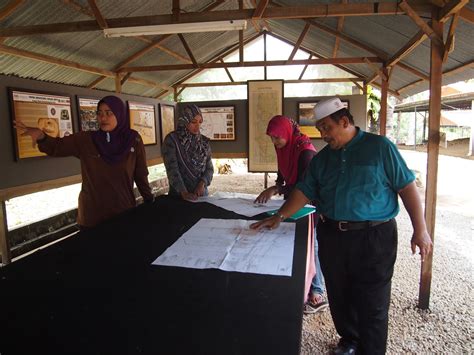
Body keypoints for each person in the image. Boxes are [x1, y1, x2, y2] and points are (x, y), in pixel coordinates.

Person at [251, 97, 433, 355]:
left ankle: (371, 350)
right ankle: (349, 340)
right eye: (320, 129)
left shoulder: (380, 147)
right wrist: (280, 216)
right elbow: (304, 191)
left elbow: (406, 186)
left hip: (374, 237)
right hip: (333, 236)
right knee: (339, 294)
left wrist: (420, 229)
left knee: (373, 301)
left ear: (345, 121)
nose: (323, 135)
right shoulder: (323, 159)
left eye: (327, 128)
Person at [14, 95, 153, 229]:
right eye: (99, 113)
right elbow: (57, 146)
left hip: (122, 213)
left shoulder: (133, 140)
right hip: (92, 218)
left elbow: (140, 174)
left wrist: (149, 201)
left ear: (120, 114)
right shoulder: (86, 140)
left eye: (109, 113)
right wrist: (41, 136)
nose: (103, 117)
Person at [254, 115, 328, 314]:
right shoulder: (284, 148)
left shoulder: (305, 152)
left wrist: (275, 190)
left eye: (277, 137)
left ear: (287, 132)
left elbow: (302, 188)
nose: (274, 142)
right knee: (297, 242)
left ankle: (318, 292)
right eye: (271, 137)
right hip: (295, 201)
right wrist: (277, 186)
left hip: (309, 203)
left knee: (311, 244)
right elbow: (283, 176)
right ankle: (301, 284)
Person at [162, 104, 213, 201]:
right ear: (185, 121)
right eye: (193, 122)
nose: (197, 126)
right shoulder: (172, 140)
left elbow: (209, 168)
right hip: (179, 197)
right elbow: (172, 170)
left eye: (200, 122)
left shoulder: (203, 142)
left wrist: (202, 183)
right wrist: (184, 192)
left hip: (201, 196)